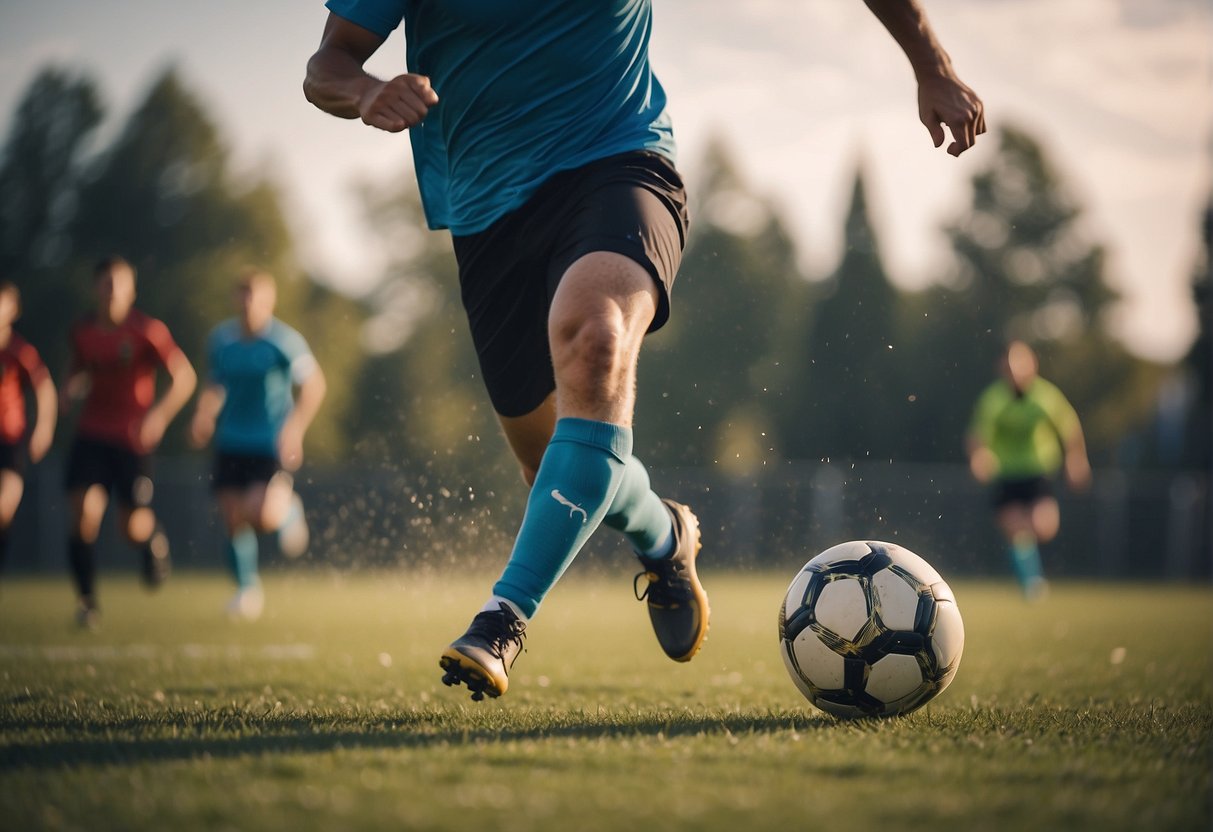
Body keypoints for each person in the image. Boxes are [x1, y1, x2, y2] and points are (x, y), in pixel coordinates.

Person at [303, 0, 985, 700]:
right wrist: (365, 92)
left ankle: (501, 619)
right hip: (486, 215)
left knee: (594, 339)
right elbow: (327, 63)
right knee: (555, 470)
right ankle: (663, 534)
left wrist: (931, 67)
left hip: (617, 163)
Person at [61, 256, 197, 629]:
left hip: (130, 442)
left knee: (130, 527)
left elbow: (184, 377)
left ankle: (152, 538)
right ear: (96, 288)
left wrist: (158, 416)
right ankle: (87, 602)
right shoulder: (83, 330)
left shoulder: (146, 331)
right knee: (84, 514)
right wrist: (67, 391)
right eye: (106, 284)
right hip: (91, 435)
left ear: (132, 291)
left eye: (120, 285)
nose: (112, 292)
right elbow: (76, 366)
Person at [189, 269, 327, 621]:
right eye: (244, 295)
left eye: (256, 296)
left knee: (260, 515)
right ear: (236, 299)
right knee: (233, 518)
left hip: (269, 441)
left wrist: (294, 428)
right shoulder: (222, 340)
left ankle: (289, 510)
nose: (249, 303)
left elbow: (314, 384)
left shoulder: (283, 341)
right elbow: (215, 384)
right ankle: (246, 591)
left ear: (270, 301)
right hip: (231, 440)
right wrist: (204, 415)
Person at [967, 340, 1091, 600]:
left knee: (1043, 527)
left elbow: (1069, 428)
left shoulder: (1046, 396)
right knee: (1015, 530)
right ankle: (1032, 583)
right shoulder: (994, 399)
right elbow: (978, 435)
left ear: (1032, 366)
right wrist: (980, 457)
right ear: (1002, 368)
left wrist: (1076, 459)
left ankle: (1028, 570)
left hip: (1037, 473)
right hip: (1007, 475)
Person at [0, 281, 57, 575]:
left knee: (3, 508)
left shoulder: (19, 351)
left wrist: (44, 428)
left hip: (9, 442)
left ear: (13, 310)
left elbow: (45, 388)